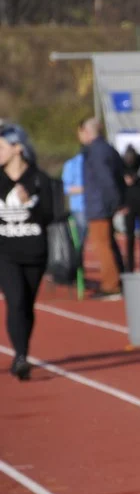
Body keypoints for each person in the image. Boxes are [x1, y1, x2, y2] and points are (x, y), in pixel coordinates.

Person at [0, 123, 55, 381]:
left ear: (17, 148)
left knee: (27, 306)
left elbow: (50, 215)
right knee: (16, 301)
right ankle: (20, 356)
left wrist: (29, 203)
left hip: (34, 252)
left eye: (1, 147)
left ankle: (22, 351)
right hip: (5, 253)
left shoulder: (39, 178)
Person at [78, 117, 126, 297]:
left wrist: (113, 202)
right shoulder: (107, 148)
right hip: (103, 203)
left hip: (99, 204)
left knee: (101, 245)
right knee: (108, 243)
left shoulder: (96, 151)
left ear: (87, 132)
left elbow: (105, 179)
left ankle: (111, 285)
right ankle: (119, 277)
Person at [61, 149, 87, 269]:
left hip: (95, 208)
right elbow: (66, 188)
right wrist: (85, 189)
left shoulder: (95, 163)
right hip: (79, 208)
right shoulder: (72, 164)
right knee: (78, 242)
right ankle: (77, 270)